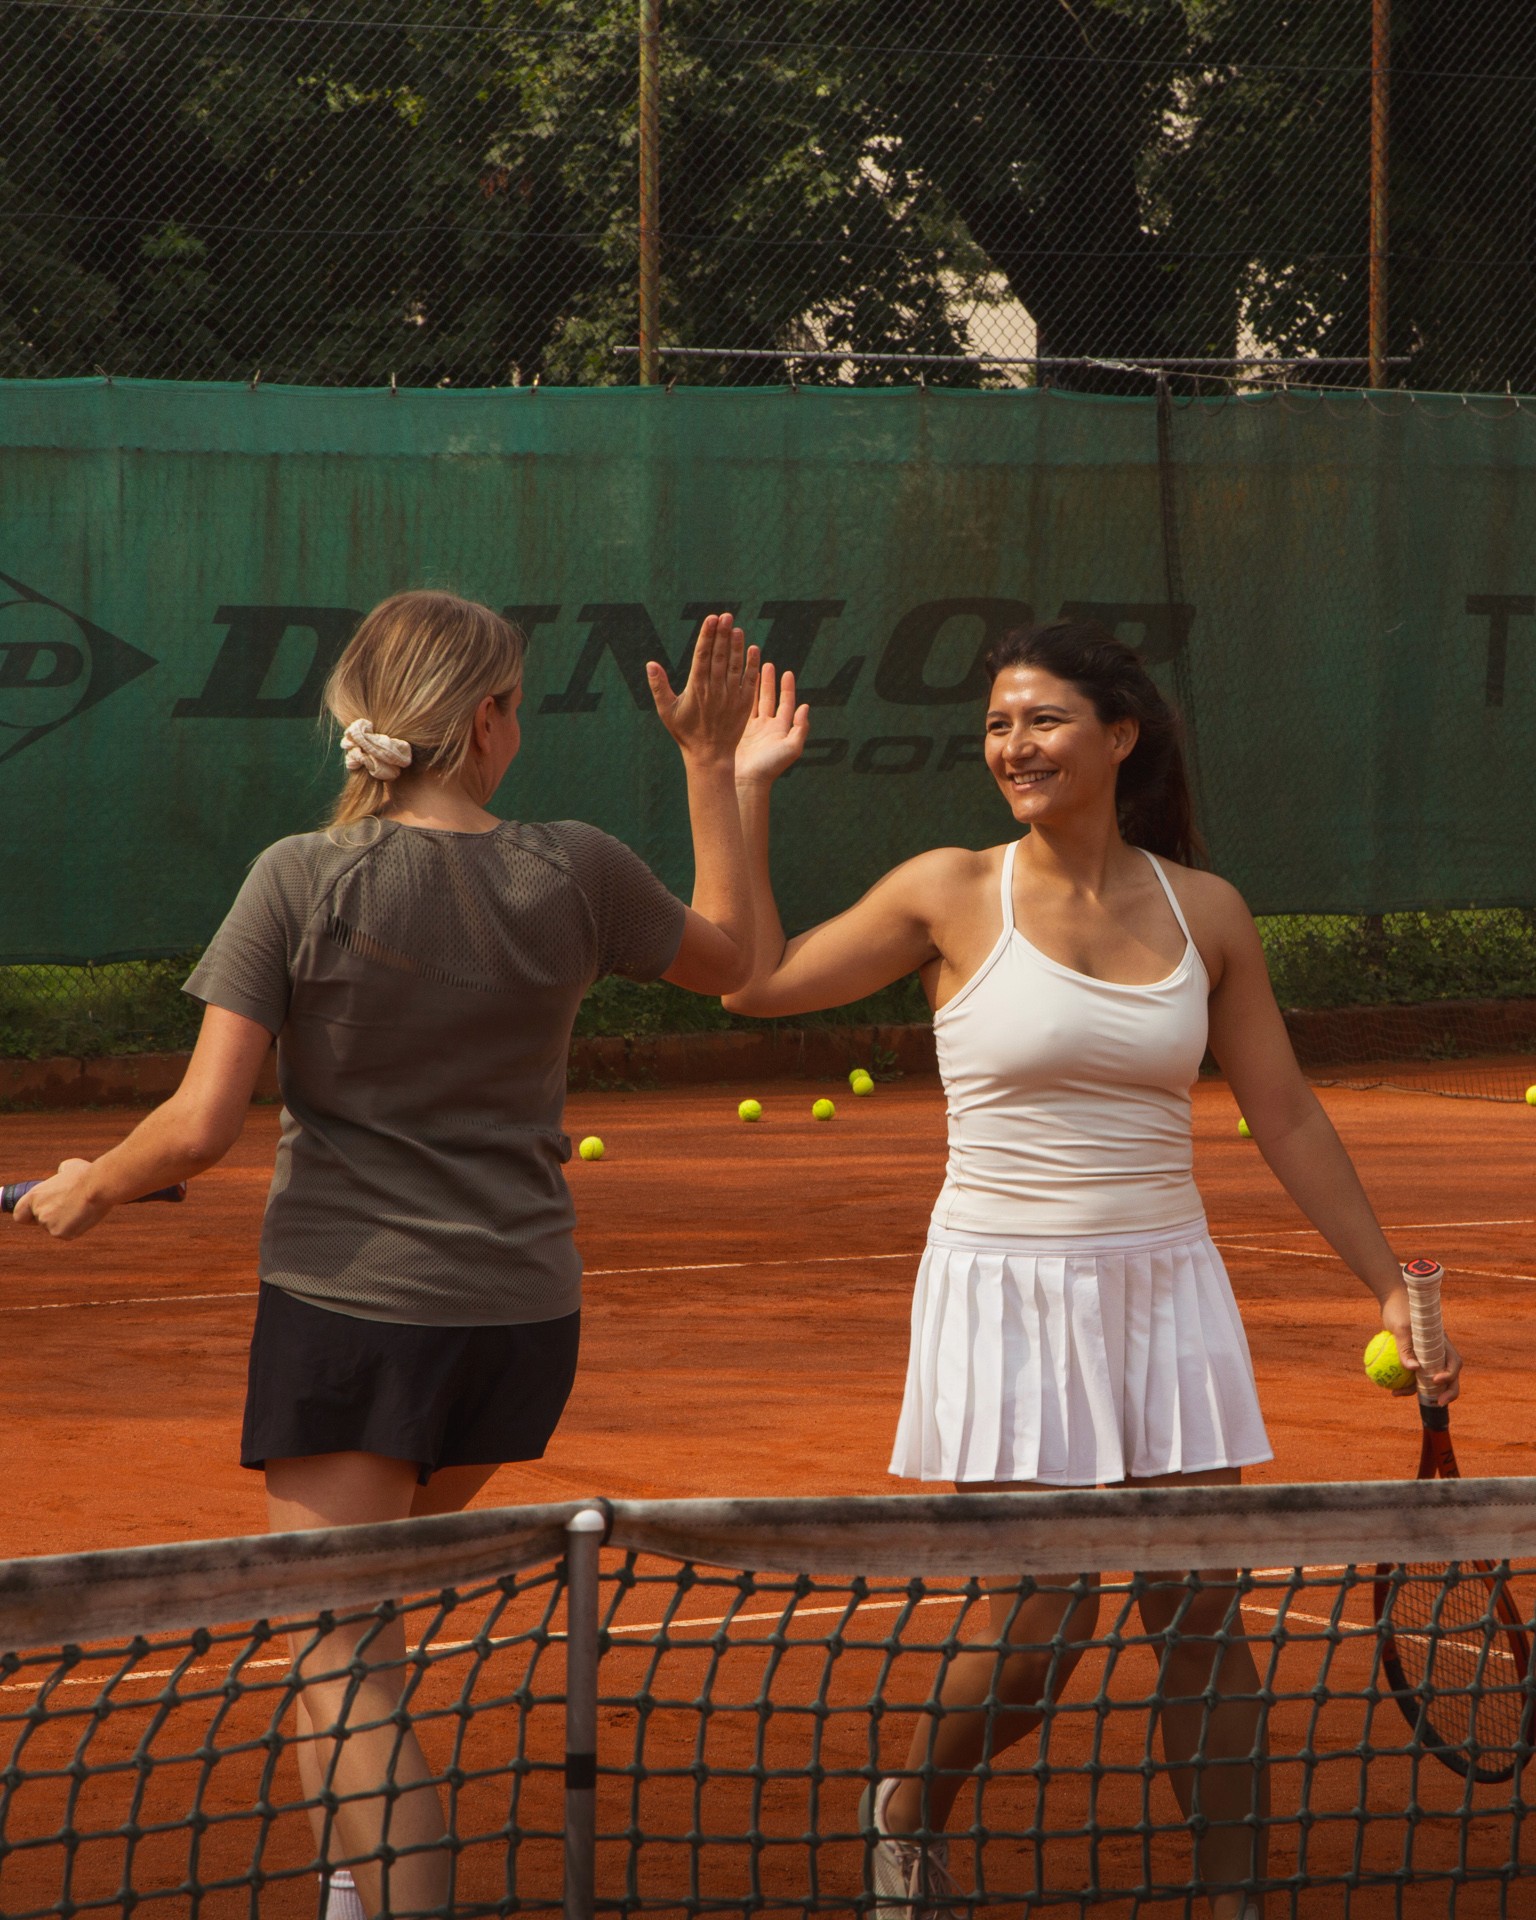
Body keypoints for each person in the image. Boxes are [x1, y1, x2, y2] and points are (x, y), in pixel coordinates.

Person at [15, 591, 761, 1920]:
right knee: (351, 1627)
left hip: (355, 1322)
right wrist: (713, 767)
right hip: (523, 1330)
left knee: (340, 1649)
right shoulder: (579, 868)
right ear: (483, 722)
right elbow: (743, 957)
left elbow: (197, 1128)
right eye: (517, 705)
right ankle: (352, 1892)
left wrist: (93, 1185)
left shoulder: (296, 877)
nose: (516, 729)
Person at [723, 617, 1462, 1920]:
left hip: (1167, 1285)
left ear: (1121, 737)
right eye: (1001, 724)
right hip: (1003, 1288)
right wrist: (733, 788)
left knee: (1200, 1613)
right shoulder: (946, 890)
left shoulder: (1209, 911)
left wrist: (1386, 1283)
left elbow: (1283, 1110)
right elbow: (757, 981)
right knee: (1043, 1625)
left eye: (1045, 719)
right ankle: (909, 1801)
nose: (1016, 744)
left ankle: (1237, 1898)